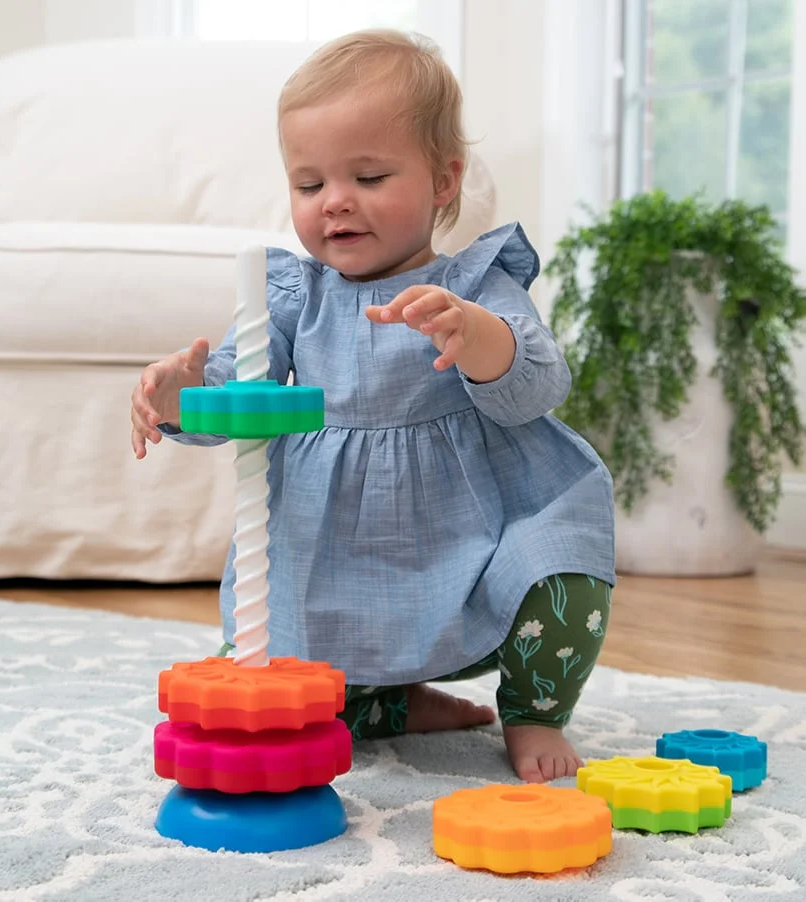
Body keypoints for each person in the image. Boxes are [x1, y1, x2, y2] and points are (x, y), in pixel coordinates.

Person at [130, 29, 615, 783]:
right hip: (334, 555)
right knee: (280, 694)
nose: (335, 203)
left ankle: (532, 711)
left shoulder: (479, 280)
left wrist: (474, 334)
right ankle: (395, 705)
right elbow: (235, 391)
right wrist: (177, 395)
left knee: (563, 573)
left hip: (475, 535)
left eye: (369, 175)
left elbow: (538, 384)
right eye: (309, 184)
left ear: (443, 181)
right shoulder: (291, 293)